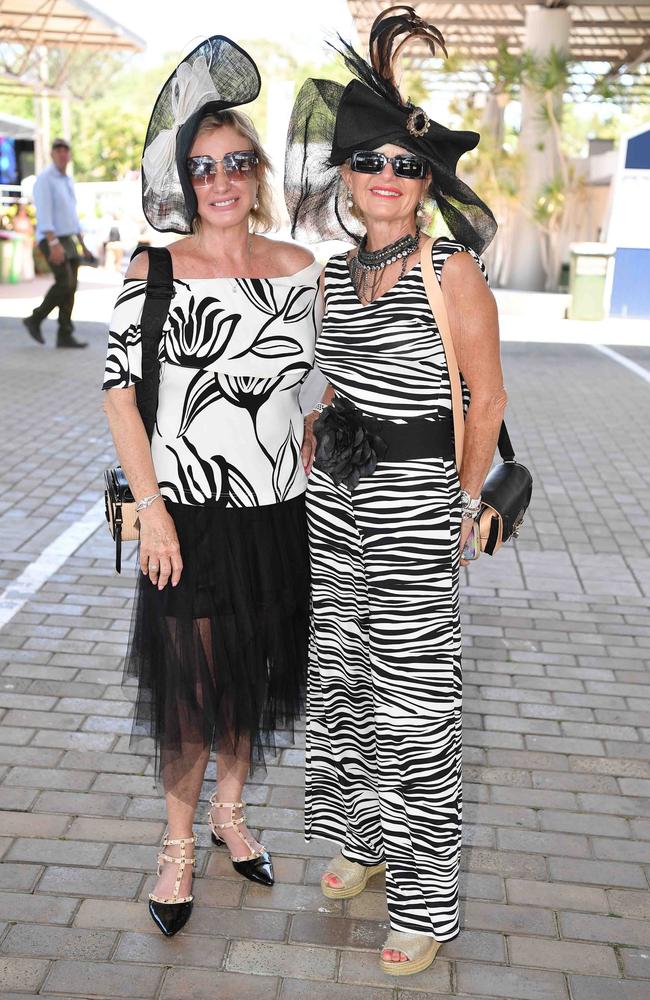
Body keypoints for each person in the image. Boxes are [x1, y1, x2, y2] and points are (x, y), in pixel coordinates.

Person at [285, 7, 506, 977]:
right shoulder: (334, 274)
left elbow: (486, 397)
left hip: (413, 507)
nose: (386, 175)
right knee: (340, 682)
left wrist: (457, 505)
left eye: (405, 165)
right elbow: (330, 381)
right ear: (345, 174)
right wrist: (310, 434)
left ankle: (422, 900)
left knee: (413, 706)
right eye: (368, 159)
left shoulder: (446, 268)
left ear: (425, 184)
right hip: (331, 507)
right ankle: (365, 840)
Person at [102, 36, 320, 937]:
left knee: (256, 677)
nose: (221, 179)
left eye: (237, 162)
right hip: (185, 517)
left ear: (257, 171)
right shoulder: (154, 270)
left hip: (280, 515)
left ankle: (233, 812)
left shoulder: (301, 271)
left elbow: (319, 376)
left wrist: (315, 425)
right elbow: (120, 394)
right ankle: (180, 845)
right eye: (203, 167)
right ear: (186, 179)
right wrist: (151, 513)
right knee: (191, 691)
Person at [23, 138, 91, 348]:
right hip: (51, 237)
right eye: (58, 150)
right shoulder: (45, 179)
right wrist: (53, 243)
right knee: (64, 282)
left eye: (65, 150)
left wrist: (83, 244)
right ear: (52, 154)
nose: (62, 154)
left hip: (68, 238)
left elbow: (71, 216)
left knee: (71, 287)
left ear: (69, 155)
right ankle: (35, 318)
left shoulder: (66, 179)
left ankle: (64, 334)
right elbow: (43, 214)